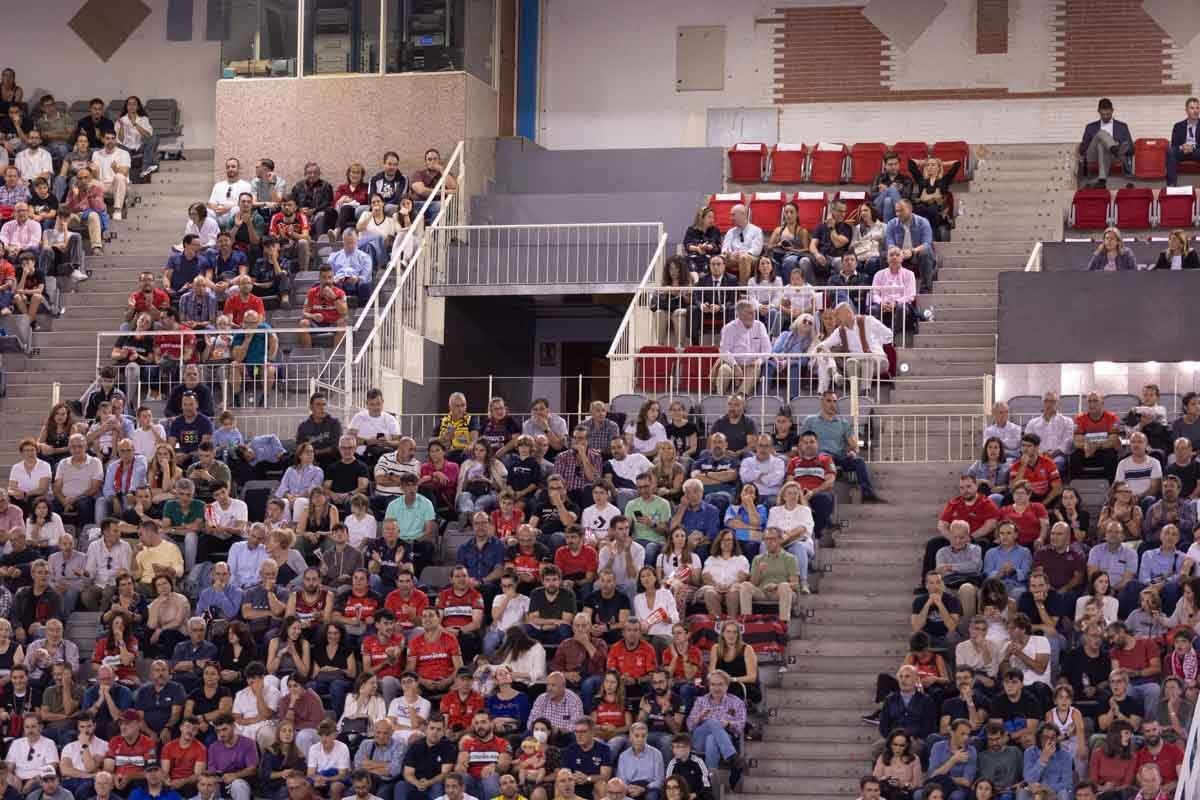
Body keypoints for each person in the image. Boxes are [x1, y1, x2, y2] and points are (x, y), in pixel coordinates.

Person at [883, 199, 935, 294]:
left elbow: (927, 243)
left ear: (910, 210)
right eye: (897, 211)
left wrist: (912, 251)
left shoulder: (923, 222)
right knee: (883, 256)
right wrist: (897, 252)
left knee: (926, 252)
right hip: (899, 253)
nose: (898, 214)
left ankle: (925, 289)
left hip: (916, 253)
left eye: (901, 210)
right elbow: (890, 243)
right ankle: (888, 287)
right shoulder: (891, 223)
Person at [1079, 98, 1133, 188]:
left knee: (1101, 145)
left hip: (1114, 157)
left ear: (1112, 111)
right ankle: (1114, 148)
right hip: (1093, 156)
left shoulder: (1122, 127)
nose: (1105, 117)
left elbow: (1131, 148)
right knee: (1101, 134)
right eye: (1102, 114)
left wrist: (1119, 146)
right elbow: (1083, 149)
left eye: (1108, 114)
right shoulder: (1090, 127)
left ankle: (1102, 180)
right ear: (1098, 112)